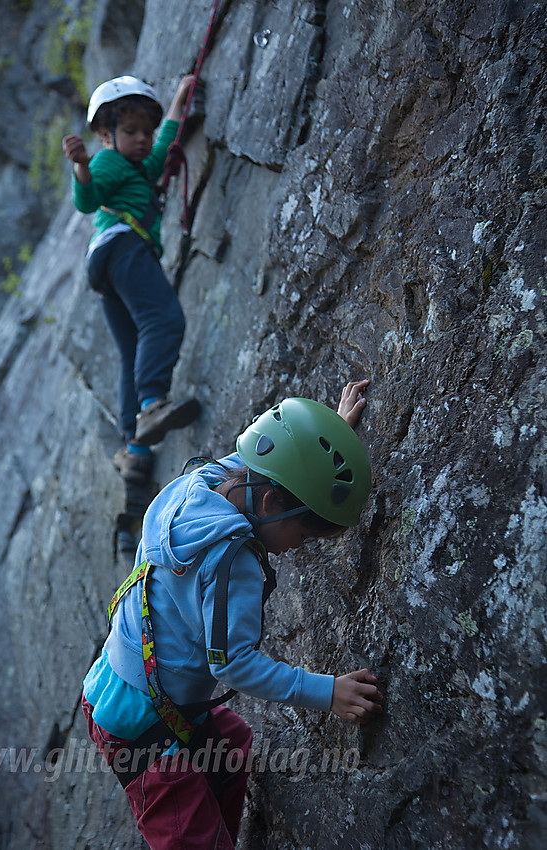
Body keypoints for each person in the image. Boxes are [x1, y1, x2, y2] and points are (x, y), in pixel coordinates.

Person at [81, 380, 383, 849]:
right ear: (269, 507)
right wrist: (328, 693)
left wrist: (328, 447)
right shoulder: (233, 561)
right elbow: (233, 662)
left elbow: (275, 459)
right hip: (145, 737)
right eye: (301, 537)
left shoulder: (203, 482)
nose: (294, 550)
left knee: (231, 751)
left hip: (121, 686)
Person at [63, 75, 201, 486]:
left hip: (105, 265)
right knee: (164, 320)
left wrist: (179, 98)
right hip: (123, 248)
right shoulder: (108, 161)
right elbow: (88, 200)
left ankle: (135, 449)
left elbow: (164, 144)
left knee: (132, 349)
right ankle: (152, 404)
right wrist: (81, 167)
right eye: (129, 131)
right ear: (105, 133)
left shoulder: (141, 166)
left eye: (145, 131)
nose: (142, 139)